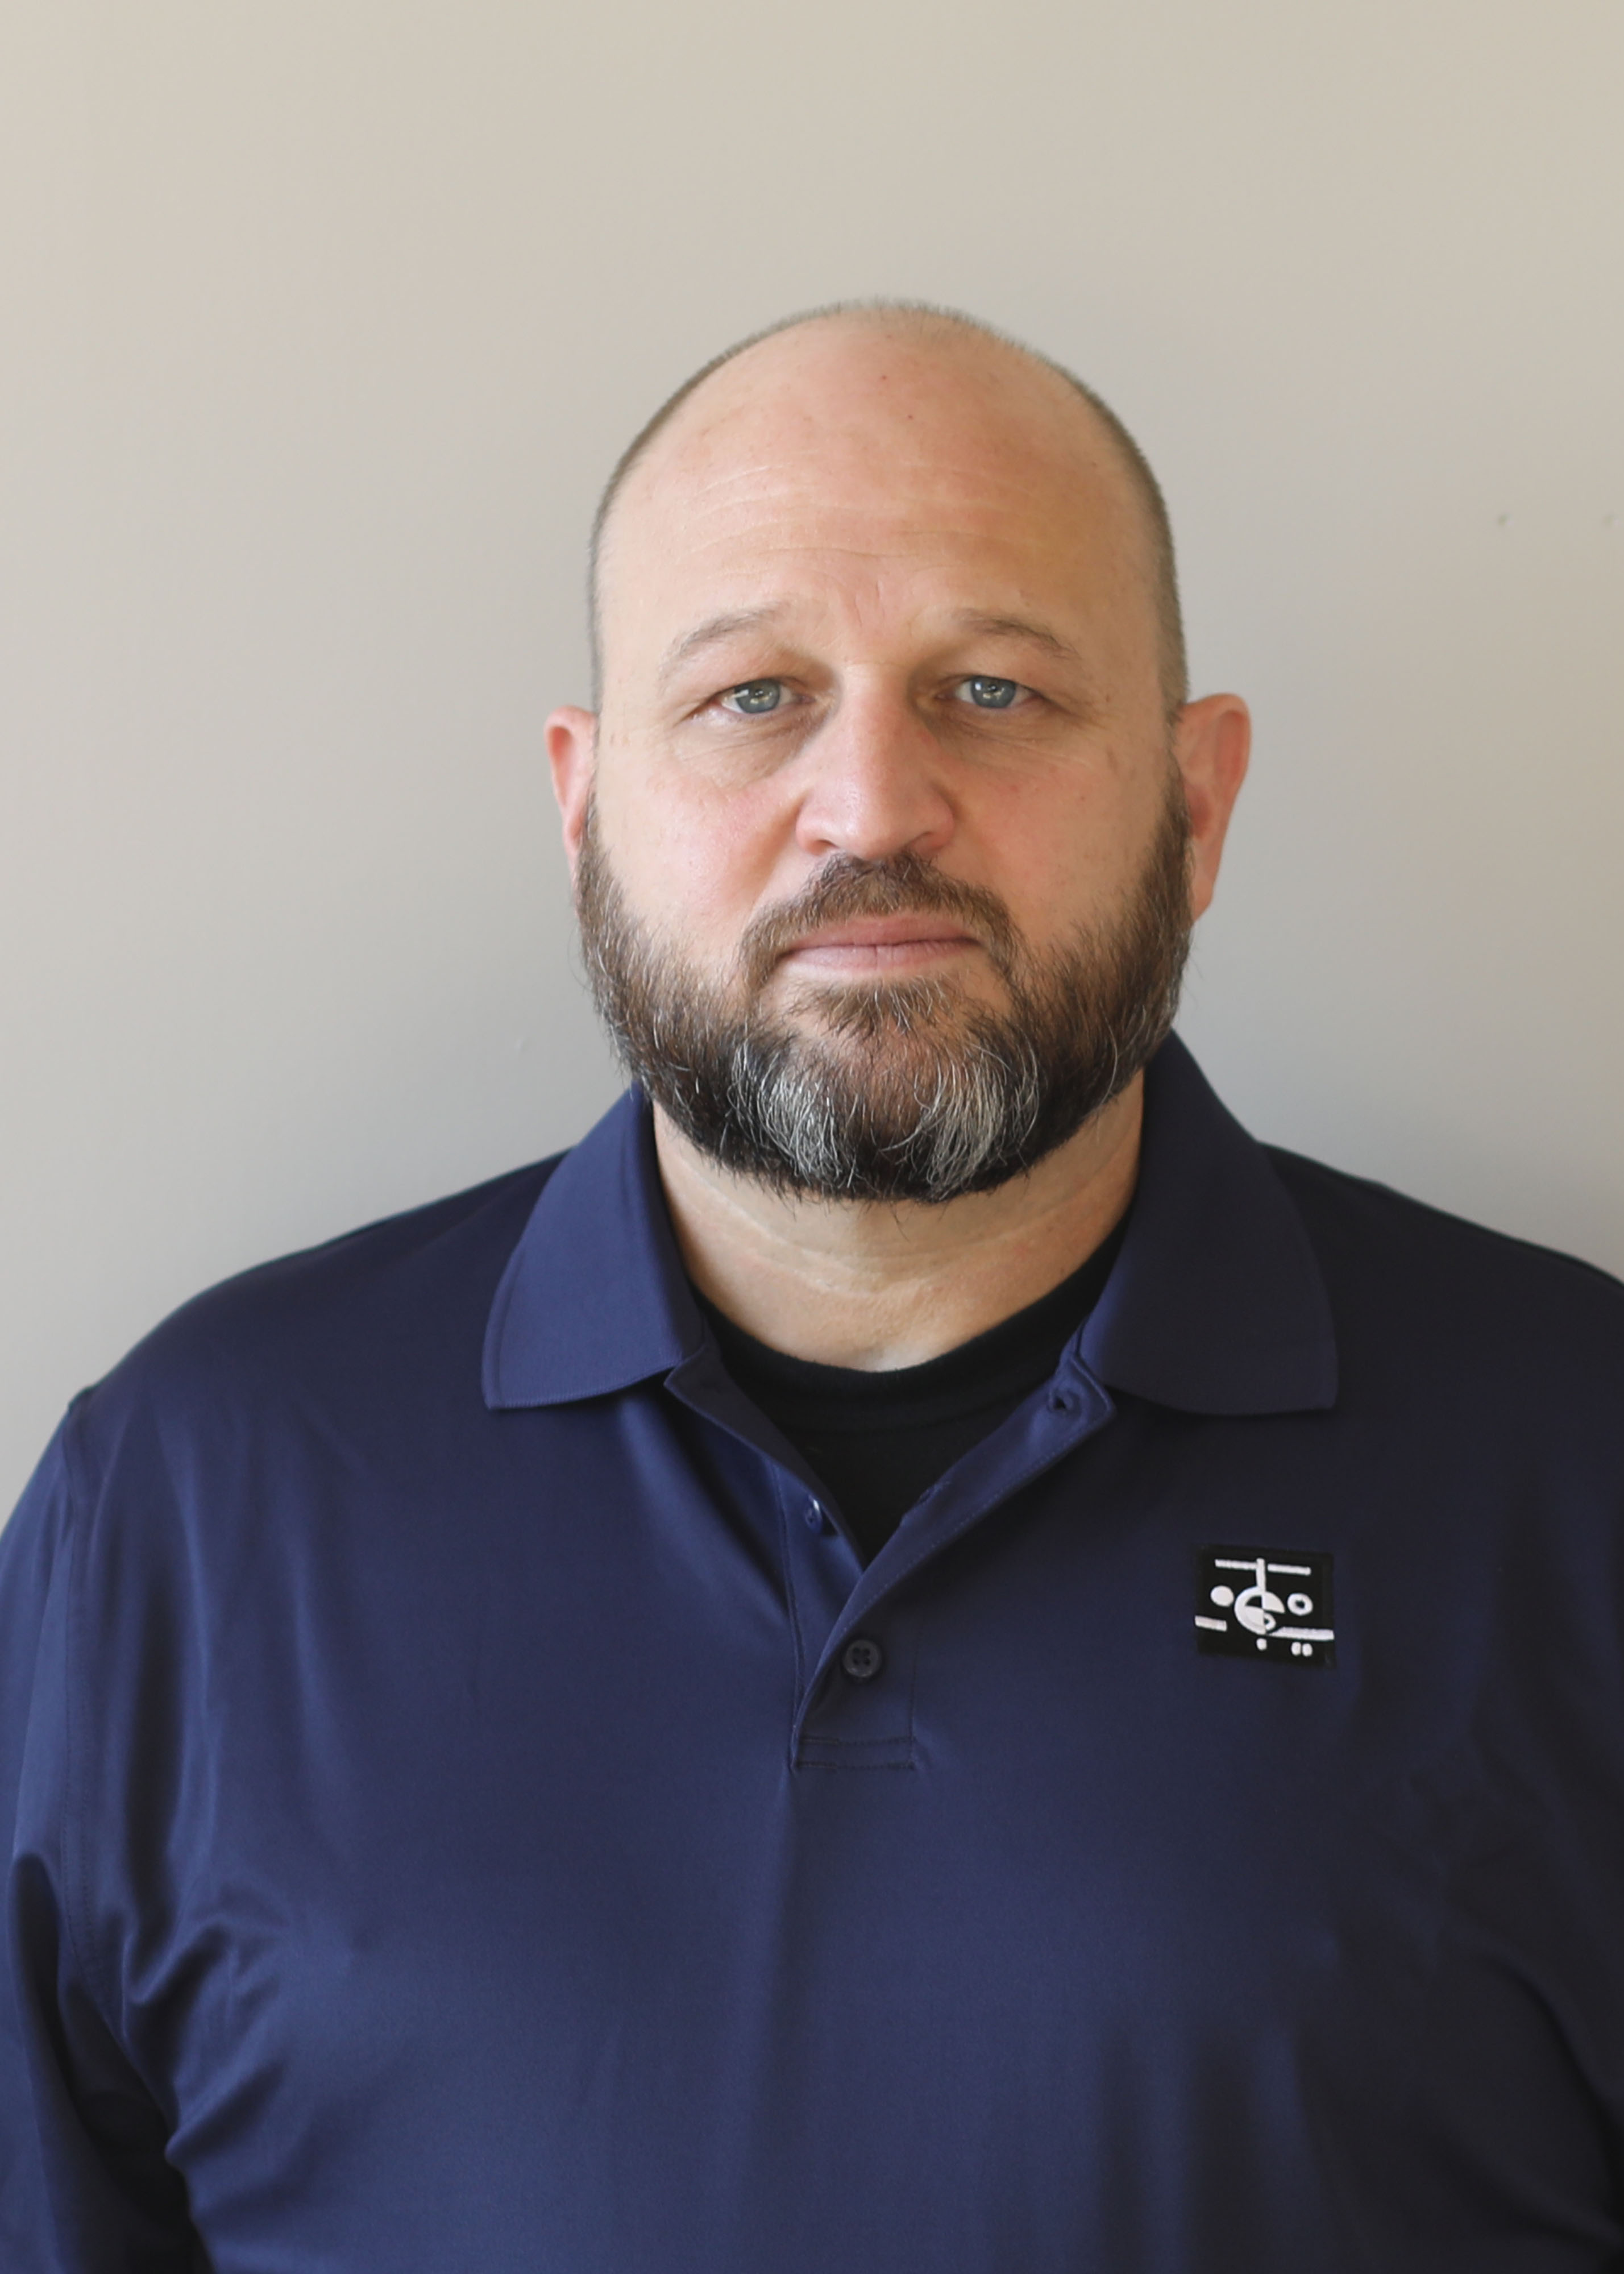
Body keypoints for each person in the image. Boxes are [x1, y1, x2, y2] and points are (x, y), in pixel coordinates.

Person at [3, 301, 1623, 2273]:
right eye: (754, 694)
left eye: (995, 690)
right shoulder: (186, 1500)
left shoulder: (1577, 1466)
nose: (870, 806)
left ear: (1194, 804)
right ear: (585, 807)